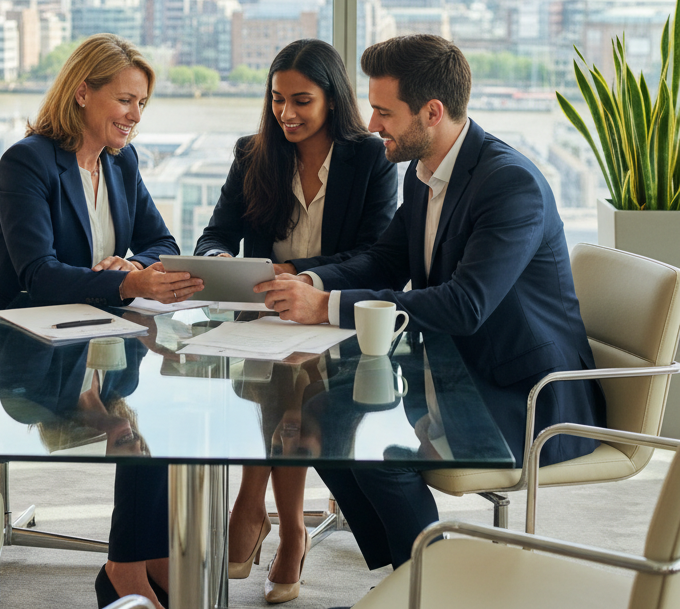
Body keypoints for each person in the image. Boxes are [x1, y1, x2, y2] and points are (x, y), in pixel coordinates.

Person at [255, 33, 606, 573]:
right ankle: (406, 576)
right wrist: (304, 280)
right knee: (324, 415)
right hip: (457, 371)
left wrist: (325, 305)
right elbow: (382, 261)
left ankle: (430, 582)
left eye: (383, 112)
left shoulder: (510, 185)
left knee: (378, 456)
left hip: (527, 397)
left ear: (432, 112)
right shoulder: (426, 172)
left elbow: (465, 306)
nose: (372, 125)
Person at [0, 33, 201, 609]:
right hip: (19, 351)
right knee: (139, 436)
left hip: (97, 343)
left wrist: (132, 263)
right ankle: (126, 570)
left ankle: (143, 557)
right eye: (125, 101)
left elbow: (162, 240)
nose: (135, 116)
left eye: (142, 104)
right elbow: (37, 272)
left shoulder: (120, 160)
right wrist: (125, 282)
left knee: (163, 420)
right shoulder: (27, 162)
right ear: (83, 93)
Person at [195, 38, 396, 604]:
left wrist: (294, 271)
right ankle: (288, 531)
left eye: (301, 100)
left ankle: (254, 507)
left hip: (332, 313)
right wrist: (217, 261)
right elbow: (215, 233)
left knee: (291, 391)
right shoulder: (253, 153)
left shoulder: (370, 160)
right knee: (282, 385)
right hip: (260, 316)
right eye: (278, 99)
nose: (286, 113)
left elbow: (374, 254)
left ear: (332, 99)